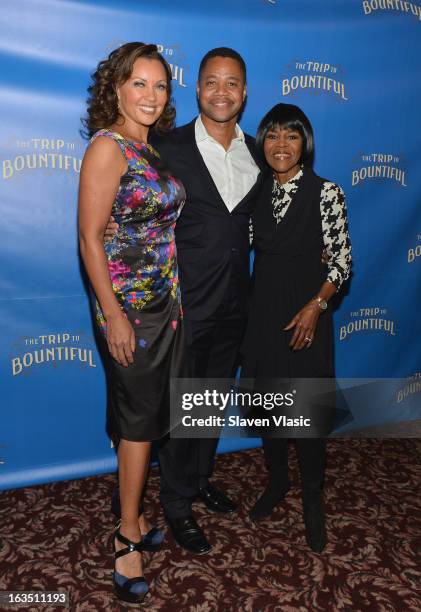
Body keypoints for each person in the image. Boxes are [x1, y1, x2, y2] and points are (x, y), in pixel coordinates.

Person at [107, 48, 264, 554]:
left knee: (209, 405)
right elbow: (131, 195)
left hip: (236, 304)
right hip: (179, 306)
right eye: (211, 82)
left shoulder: (259, 152)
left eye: (232, 83)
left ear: (244, 92)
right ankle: (175, 505)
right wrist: (114, 225)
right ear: (197, 91)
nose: (222, 92)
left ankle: (196, 481)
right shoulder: (166, 146)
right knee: (179, 411)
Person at [78, 42, 186, 603]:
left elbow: (159, 230)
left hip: (164, 306)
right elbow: (89, 239)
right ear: (116, 89)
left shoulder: (151, 147)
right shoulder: (108, 147)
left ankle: (136, 516)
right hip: (128, 310)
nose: (150, 95)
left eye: (160, 85)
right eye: (138, 83)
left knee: (142, 413)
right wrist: (116, 316)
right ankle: (126, 538)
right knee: (141, 419)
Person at [241, 103, 352, 553]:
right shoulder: (255, 191)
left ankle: (311, 497)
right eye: (272, 135)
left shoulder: (327, 193)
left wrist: (316, 306)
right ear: (262, 143)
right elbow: (238, 243)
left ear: (305, 142)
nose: (281, 144)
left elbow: (342, 261)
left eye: (291, 135)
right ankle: (278, 482)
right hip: (262, 315)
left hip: (307, 317)